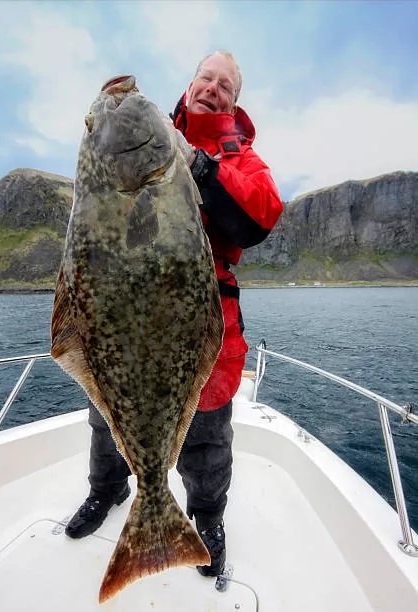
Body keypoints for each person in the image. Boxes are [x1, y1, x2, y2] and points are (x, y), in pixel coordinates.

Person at [65, 51, 283, 577]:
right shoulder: (153, 130)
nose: (213, 88)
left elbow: (260, 215)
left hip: (198, 331)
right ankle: (108, 491)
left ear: (235, 100)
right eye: (206, 78)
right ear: (190, 84)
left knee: (207, 439)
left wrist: (200, 165)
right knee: (107, 420)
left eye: (225, 85)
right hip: (121, 320)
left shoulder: (243, 161)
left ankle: (204, 520)